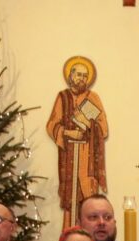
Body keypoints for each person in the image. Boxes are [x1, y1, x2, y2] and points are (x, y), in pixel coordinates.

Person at [46, 57, 108, 229]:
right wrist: (67, 132)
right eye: (79, 74)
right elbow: (52, 125)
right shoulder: (63, 97)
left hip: (87, 161)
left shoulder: (92, 98)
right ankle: (69, 237)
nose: (82, 78)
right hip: (69, 158)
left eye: (85, 76)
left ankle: (90, 237)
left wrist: (89, 124)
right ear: (71, 76)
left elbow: (103, 128)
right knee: (71, 203)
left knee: (89, 202)